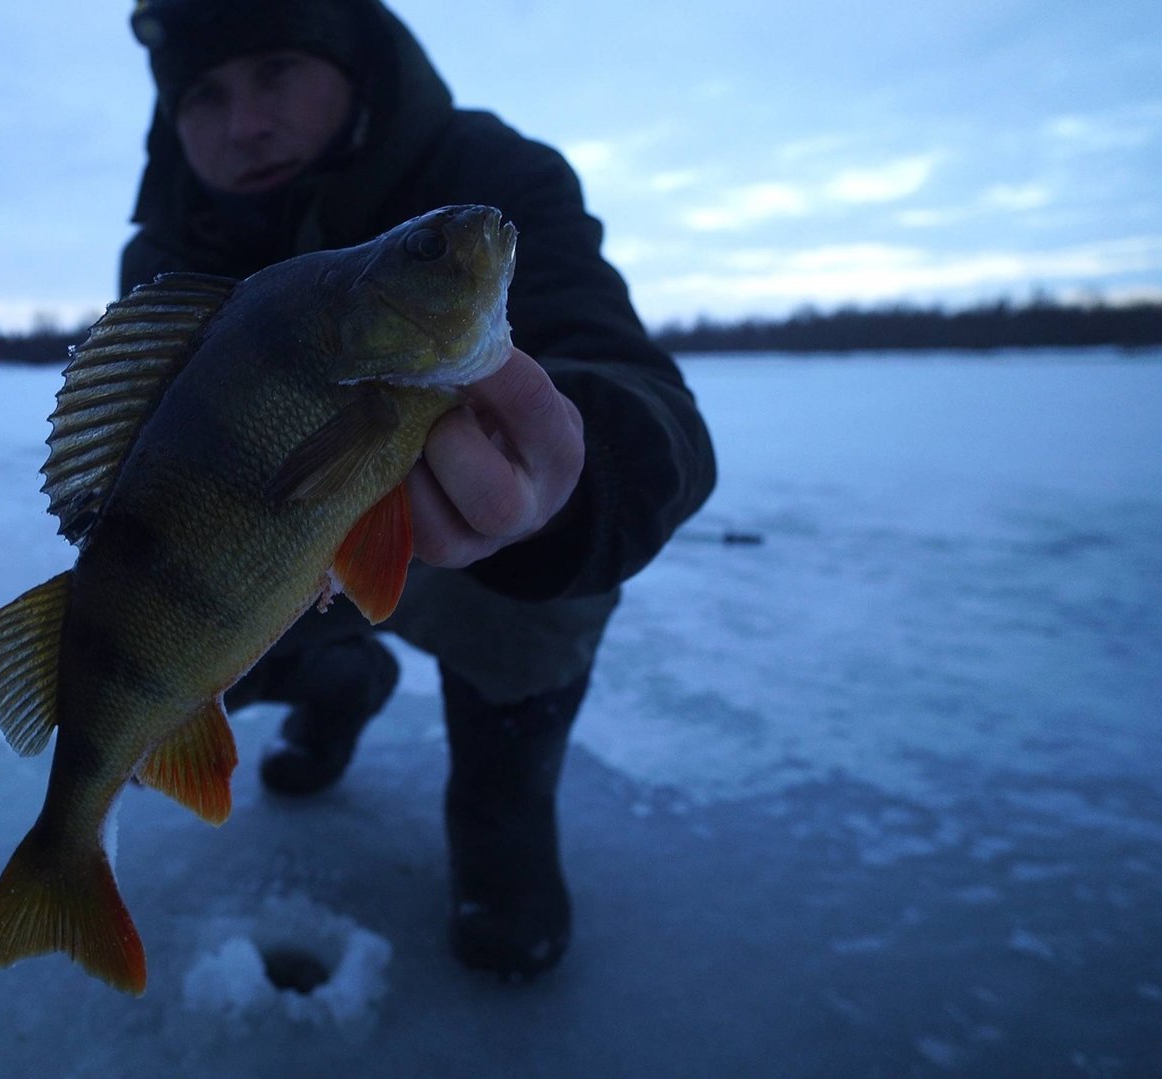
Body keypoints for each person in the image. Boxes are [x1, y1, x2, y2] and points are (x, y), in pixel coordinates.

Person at [122, 0, 717, 980]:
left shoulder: (487, 177)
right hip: (274, 562)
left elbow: (656, 409)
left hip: (479, 561)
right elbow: (133, 468)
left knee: (547, 595)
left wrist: (571, 476)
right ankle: (341, 680)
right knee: (151, 635)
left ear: (356, 64)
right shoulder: (165, 255)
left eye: (275, 71)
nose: (245, 123)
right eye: (204, 96)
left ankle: (502, 810)